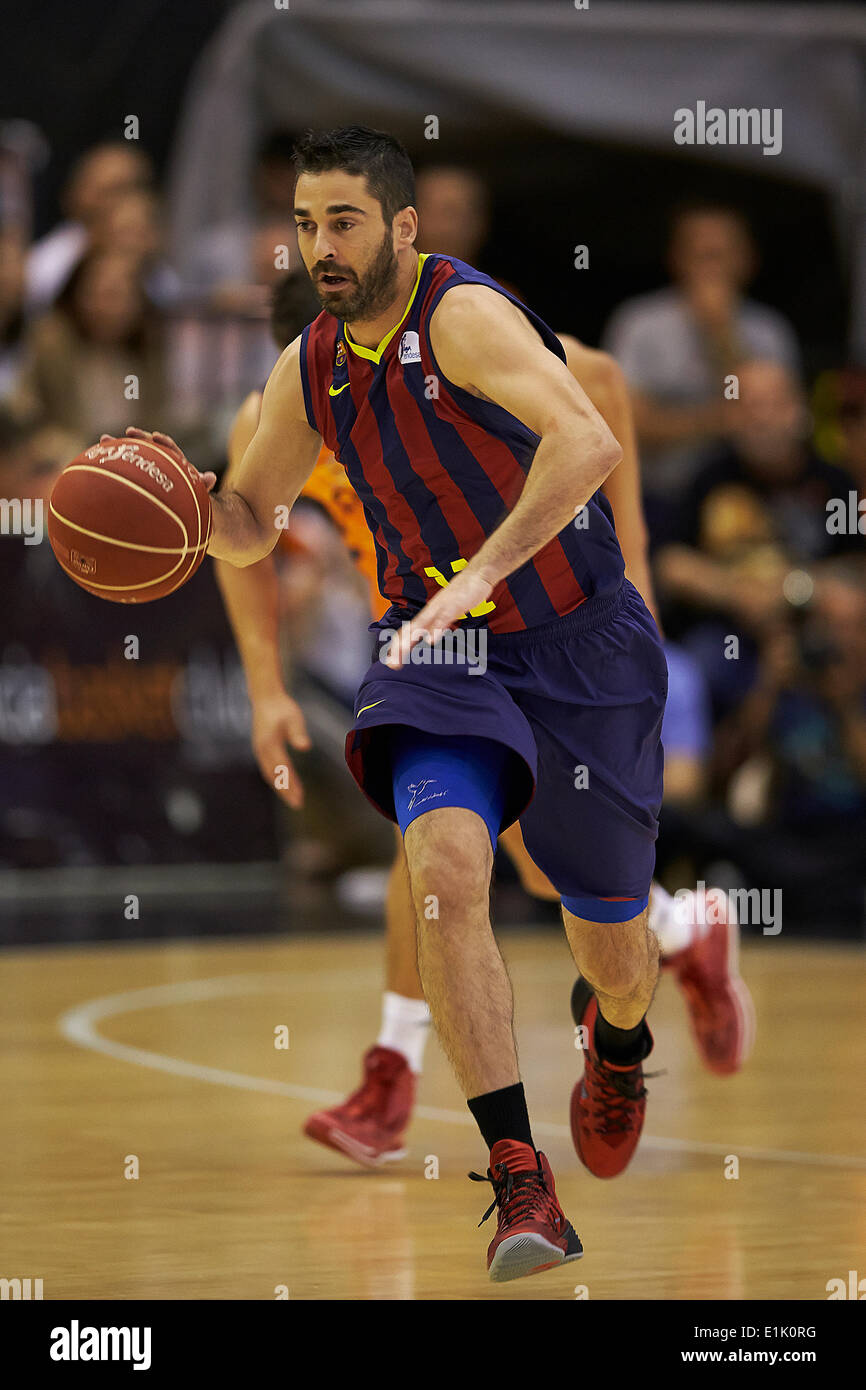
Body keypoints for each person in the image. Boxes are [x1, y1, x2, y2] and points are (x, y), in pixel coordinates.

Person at [126, 126, 715, 1282]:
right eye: (303, 224)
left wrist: (487, 573)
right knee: (443, 871)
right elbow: (250, 522)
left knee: (611, 946)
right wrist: (187, 505)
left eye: (342, 220)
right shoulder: (307, 367)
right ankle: (516, 1175)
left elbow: (586, 436)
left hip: (577, 646)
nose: (319, 246)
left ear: (402, 226)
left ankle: (618, 1039)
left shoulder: (460, 317)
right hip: (435, 658)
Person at [603, 201, 801, 534]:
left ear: (747, 259)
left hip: (747, 499)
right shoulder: (640, 323)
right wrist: (716, 420)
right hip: (658, 497)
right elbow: (622, 423)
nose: (711, 266)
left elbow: (779, 422)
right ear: (676, 258)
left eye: (721, 253)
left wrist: (722, 335)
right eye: (700, 254)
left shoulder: (769, 330)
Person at [26, 142, 153, 312]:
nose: (123, 204)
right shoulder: (49, 264)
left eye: (132, 189)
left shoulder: (157, 272)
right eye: (113, 191)